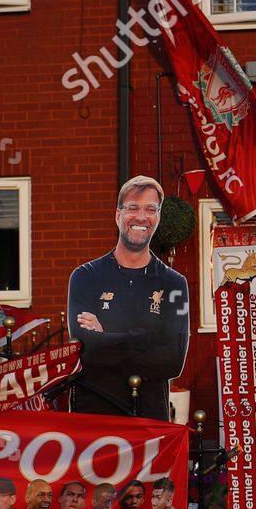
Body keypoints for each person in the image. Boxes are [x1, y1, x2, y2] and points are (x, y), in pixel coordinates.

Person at [67, 175, 190, 419]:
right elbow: (85, 351)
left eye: (151, 209)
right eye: (133, 208)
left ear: (158, 217)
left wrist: (105, 339)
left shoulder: (174, 283)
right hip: (96, 416)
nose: (142, 217)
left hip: (150, 418)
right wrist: (145, 338)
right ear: (118, 215)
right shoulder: (85, 277)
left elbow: (173, 362)